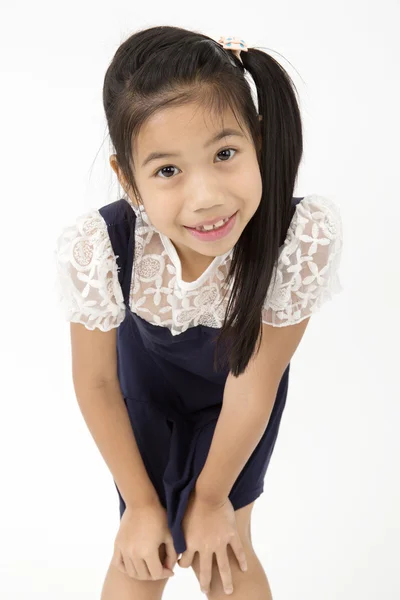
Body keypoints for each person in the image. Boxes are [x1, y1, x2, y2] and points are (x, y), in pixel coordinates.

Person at [54, 25, 344, 600]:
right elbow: (95, 380)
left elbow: (254, 382)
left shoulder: (299, 236)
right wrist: (139, 504)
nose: (206, 196)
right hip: (143, 401)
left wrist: (212, 503)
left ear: (257, 140)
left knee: (225, 549)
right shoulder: (102, 244)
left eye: (226, 153)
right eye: (167, 170)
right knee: (142, 555)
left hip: (237, 404)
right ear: (128, 178)